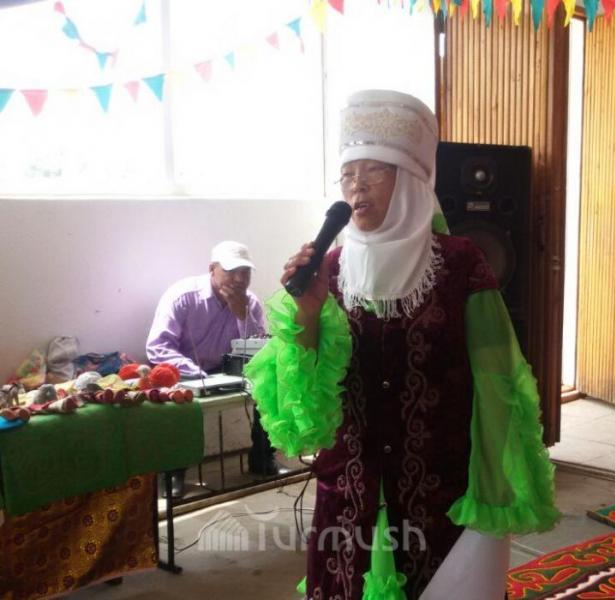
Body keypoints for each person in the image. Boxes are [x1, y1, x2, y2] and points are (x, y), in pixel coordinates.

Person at [245, 89, 558, 599]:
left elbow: (498, 383)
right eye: (348, 174)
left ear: (412, 179)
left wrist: (494, 490)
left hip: (441, 497)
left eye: (375, 170)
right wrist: (306, 311)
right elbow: (305, 413)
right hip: (348, 500)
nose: (357, 185)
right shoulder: (328, 269)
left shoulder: (460, 264)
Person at [146, 241, 279, 491]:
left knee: (271, 381)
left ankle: (262, 456)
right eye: (231, 271)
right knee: (175, 398)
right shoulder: (183, 297)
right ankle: (172, 471)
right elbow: (158, 347)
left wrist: (243, 316)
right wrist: (196, 374)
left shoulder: (249, 302)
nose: (239, 279)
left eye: (245, 272)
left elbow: (261, 350)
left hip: (225, 369)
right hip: (184, 369)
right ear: (211, 269)